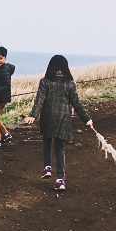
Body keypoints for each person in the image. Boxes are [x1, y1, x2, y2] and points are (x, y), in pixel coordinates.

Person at [23, 55, 93, 190]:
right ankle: (60, 180)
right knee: (60, 148)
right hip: (63, 119)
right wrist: (87, 119)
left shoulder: (45, 81)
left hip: (48, 117)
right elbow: (77, 103)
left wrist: (33, 115)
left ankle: (47, 167)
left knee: (47, 141)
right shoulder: (69, 83)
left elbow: (39, 100)